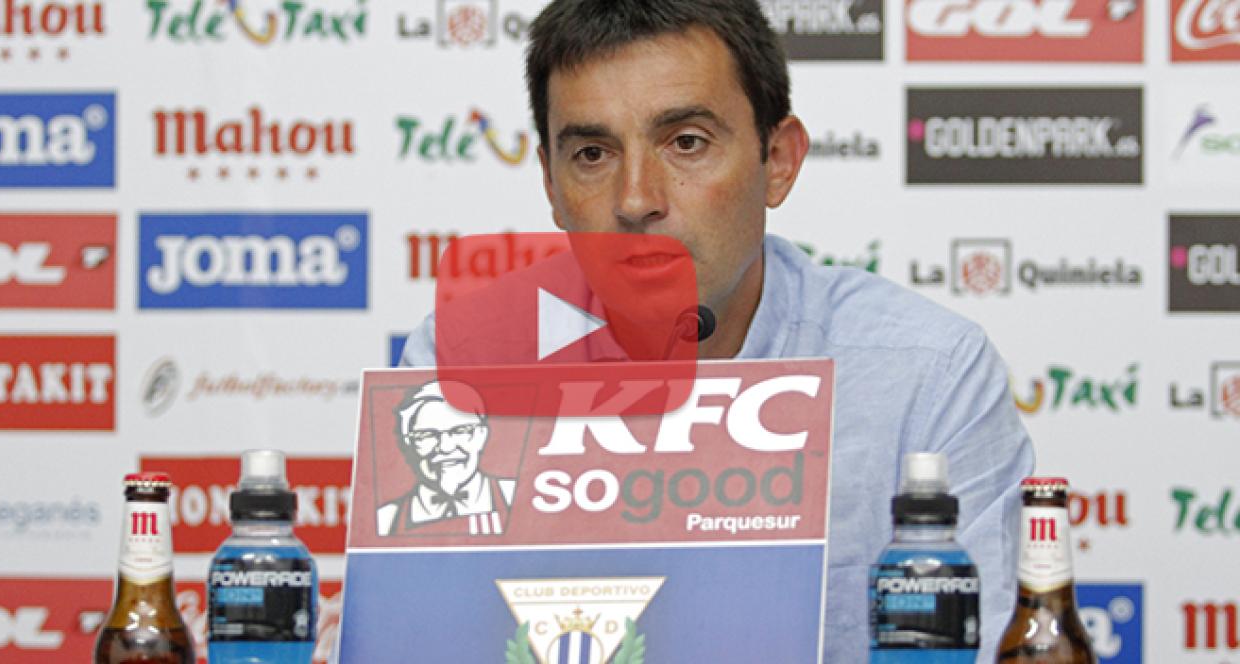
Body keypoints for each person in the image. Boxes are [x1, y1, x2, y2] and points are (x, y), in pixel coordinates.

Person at [399, 0, 1035, 660]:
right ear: (552, 186)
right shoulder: (461, 363)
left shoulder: (926, 377)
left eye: (686, 143)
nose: (636, 199)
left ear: (778, 160)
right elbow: (410, 634)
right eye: (592, 153)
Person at [376, 380, 516, 537]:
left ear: (482, 435)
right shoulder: (385, 520)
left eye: (460, 431)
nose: (445, 447)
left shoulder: (518, 498)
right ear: (409, 443)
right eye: (427, 435)